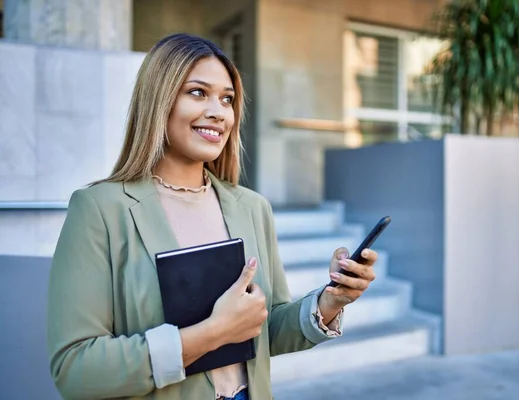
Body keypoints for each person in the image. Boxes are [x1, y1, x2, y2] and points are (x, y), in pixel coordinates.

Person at [46, 33, 378, 400]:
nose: (219, 112)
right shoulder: (100, 210)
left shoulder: (252, 207)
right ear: (159, 99)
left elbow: (267, 328)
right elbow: (75, 370)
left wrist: (329, 301)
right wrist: (212, 333)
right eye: (198, 92)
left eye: (227, 99)